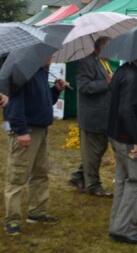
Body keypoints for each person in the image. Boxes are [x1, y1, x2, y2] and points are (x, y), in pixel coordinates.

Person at [3, 56, 69, 236]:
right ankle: (12, 220)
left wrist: (55, 90)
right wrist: (21, 131)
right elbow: (14, 105)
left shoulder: (41, 72)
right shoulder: (22, 72)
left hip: (40, 129)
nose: (53, 58)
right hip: (27, 131)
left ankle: (37, 212)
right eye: (50, 54)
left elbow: (44, 101)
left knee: (40, 173)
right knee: (17, 176)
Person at [106, 50, 137, 245]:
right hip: (129, 139)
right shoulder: (133, 76)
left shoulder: (125, 71)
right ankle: (124, 228)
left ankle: (118, 224)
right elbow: (127, 110)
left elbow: (130, 104)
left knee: (124, 180)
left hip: (120, 136)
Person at [68, 36, 113, 197]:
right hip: (92, 117)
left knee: (95, 151)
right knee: (93, 153)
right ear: (99, 48)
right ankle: (93, 186)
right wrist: (106, 82)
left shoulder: (103, 62)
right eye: (110, 48)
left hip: (102, 116)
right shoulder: (87, 62)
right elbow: (84, 87)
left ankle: (77, 177)